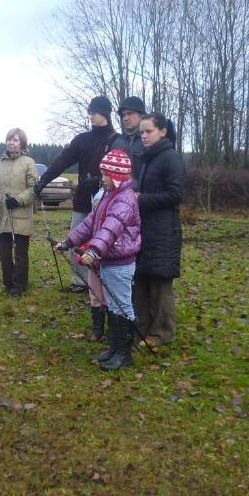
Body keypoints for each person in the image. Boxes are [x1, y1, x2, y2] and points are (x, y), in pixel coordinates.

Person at [57, 149, 142, 371]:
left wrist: (93, 251)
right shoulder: (107, 195)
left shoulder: (124, 199)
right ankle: (114, 348)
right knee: (113, 305)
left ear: (117, 176)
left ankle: (125, 354)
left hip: (121, 263)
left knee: (122, 305)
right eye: (102, 174)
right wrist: (69, 241)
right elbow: (90, 222)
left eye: (106, 175)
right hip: (108, 260)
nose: (102, 178)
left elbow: (110, 228)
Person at [36, 95, 119, 291]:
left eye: (94, 111)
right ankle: (80, 282)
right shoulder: (82, 140)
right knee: (76, 239)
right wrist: (43, 180)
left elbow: (120, 173)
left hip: (107, 202)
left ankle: (103, 283)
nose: (90, 115)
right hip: (83, 201)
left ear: (105, 113)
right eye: (89, 111)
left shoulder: (116, 141)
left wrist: (99, 180)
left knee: (104, 242)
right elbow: (62, 161)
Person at [133, 112, 185, 347]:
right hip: (144, 228)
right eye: (142, 132)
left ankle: (162, 332)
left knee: (160, 282)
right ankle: (141, 327)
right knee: (142, 278)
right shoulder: (148, 158)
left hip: (164, 230)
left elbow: (176, 195)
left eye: (148, 131)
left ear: (163, 131)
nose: (144, 136)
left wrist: (141, 199)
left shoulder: (170, 158)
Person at [0, 128, 38, 297]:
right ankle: (8, 282)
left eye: (15, 140)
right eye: (9, 139)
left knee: (21, 252)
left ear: (22, 143)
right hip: (1, 216)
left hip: (21, 215)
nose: (11, 142)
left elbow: (34, 189)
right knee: (4, 253)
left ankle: (19, 285)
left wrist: (18, 200)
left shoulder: (28, 163)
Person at [110, 96, 146, 181]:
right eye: (123, 115)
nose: (125, 118)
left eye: (129, 113)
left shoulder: (150, 141)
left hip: (146, 192)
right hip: (120, 192)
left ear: (141, 115)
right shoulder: (117, 143)